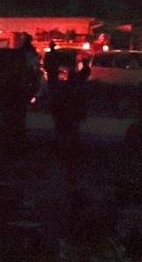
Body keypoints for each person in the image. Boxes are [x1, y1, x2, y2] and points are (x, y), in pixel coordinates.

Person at [44, 44, 91, 185]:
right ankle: (70, 158)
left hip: (62, 114)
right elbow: (85, 73)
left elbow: (51, 74)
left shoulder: (58, 87)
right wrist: (85, 63)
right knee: (71, 134)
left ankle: (63, 156)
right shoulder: (76, 84)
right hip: (71, 115)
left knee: (62, 134)